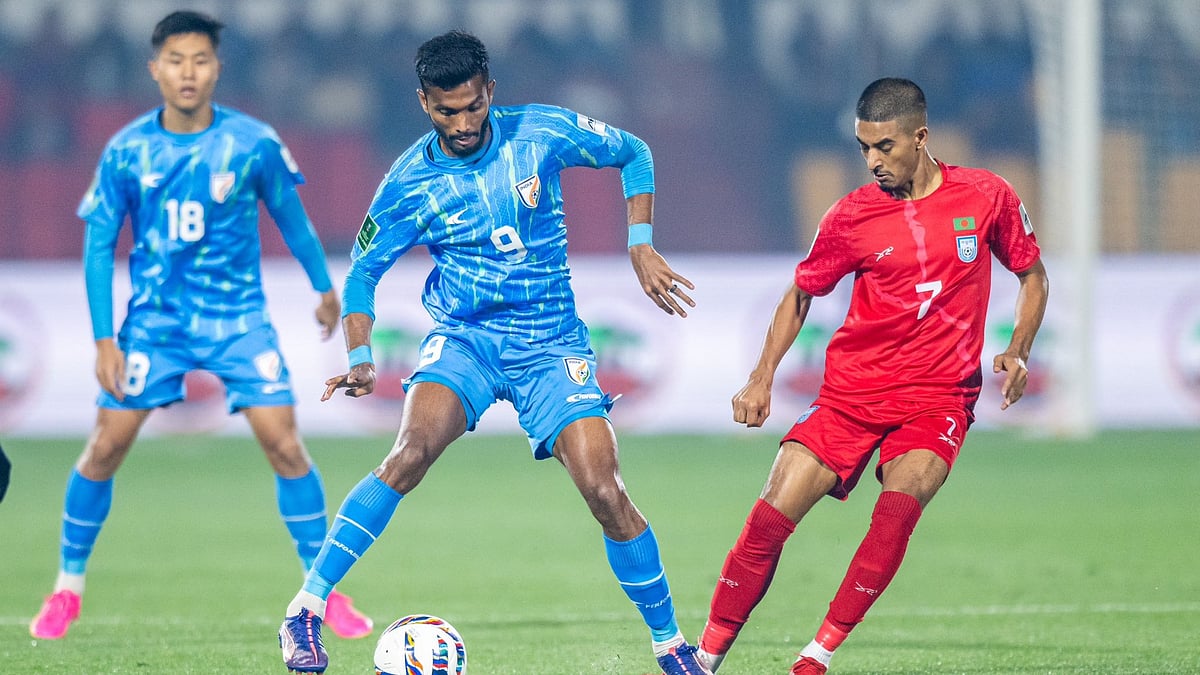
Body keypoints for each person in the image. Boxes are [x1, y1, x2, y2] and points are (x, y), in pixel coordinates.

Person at [277, 30, 710, 675]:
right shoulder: (409, 182)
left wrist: (640, 242)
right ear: (424, 103)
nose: (462, 123)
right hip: (465, 340)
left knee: (604, 488)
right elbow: (364, 273)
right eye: (446, 111)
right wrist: (361, 355)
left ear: (490, 92)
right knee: (408, 454)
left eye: (473, 106)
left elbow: (634, 151)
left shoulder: (539, 132)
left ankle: (671, 646)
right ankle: (305, 611)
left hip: (549, 341)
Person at [29, 10, 372, 642]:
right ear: (155, 69)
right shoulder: (127, 150)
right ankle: (66, 589)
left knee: (286, 446)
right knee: (105, 448)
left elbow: (291, 218)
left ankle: (322, 592)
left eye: (201, 60)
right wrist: (104, 339)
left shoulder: (253, 142)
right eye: (176, 60)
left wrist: (325, 290)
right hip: (155, 324)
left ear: (217, 68)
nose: (188, 72)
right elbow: (99, 245)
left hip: (238, 321)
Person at [693, 78, 1049, 674]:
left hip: (938, 397)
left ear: (920, 136)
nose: (873, 161)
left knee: (896, 513)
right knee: (769, 520)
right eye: (863, 148)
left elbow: (1032, 276)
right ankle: (703, 660)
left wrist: (1019, 348)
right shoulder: (850, 216)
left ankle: (815, 657)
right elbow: (800, 295)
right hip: (851, 394)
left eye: (885, 146)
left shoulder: (987, 195)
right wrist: (762, 376)